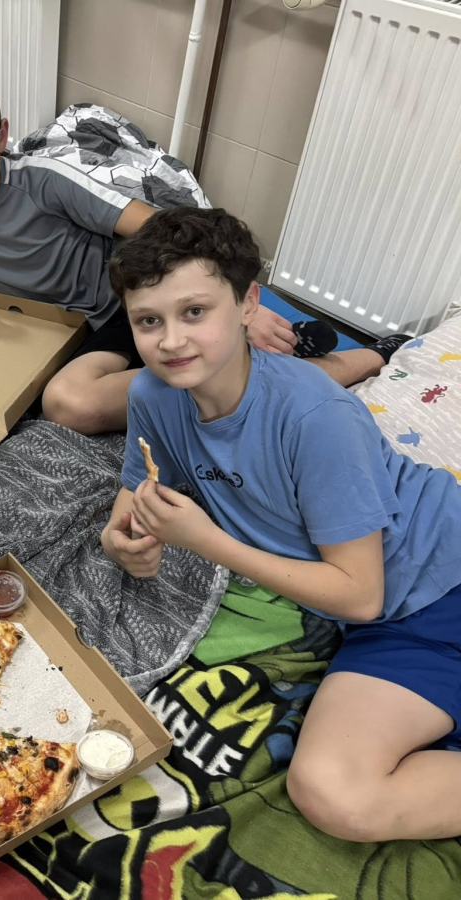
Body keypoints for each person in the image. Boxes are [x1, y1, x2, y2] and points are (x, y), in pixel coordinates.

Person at [103, 206, 461, 843]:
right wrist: (121, 536)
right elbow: (137, 486)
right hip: (386, 627)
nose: (171, 341)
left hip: (440, 576)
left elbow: (360, 592)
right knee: (331, 792)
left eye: (194, 312)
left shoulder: (317, 416)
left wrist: (209, 542)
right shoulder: (152, 397)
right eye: (148, 321)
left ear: (248, 303)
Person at [0, 69, 408, 435]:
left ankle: (358, 358)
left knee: (72, 400)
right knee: (51, 402)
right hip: (56, 331)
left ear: (2, 134)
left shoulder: (44, 180)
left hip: (125, 304)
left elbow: (167, 228)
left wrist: (240, 304)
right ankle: (232, 367)